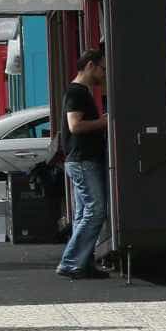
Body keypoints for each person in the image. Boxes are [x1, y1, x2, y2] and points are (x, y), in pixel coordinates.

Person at [59, 49, 110, 279]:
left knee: (83, 214)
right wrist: (102, 122)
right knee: (95, 211)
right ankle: (70, 262)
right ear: (90, 66)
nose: (104, 73)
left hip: (81, 160)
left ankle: (83, 262)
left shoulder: (80, 91)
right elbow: (75, 126)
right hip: (83, 161)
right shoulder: (76, 92)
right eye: (102, 68)